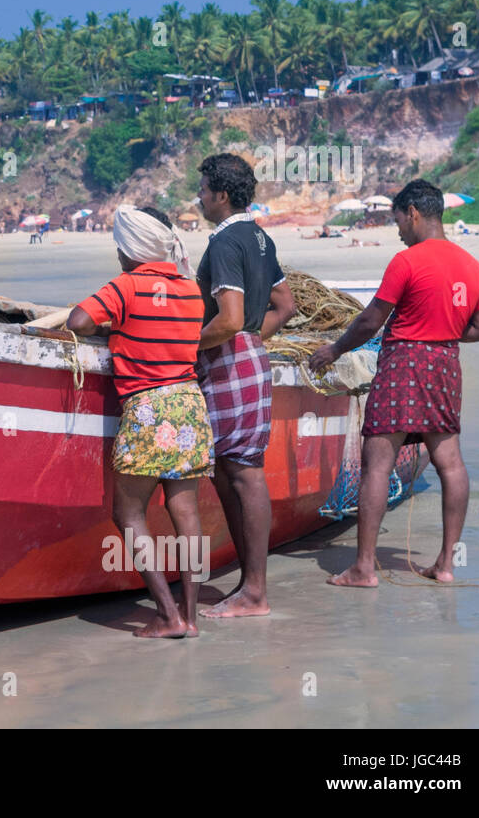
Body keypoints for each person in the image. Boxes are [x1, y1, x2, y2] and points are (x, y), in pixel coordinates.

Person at [310, 179, 479, 586]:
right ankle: (445, 564)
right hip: (445, 364)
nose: (397, 230)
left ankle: (363, 568)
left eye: (397, 220)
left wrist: (335, 350)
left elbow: (370, 319)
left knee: (378, 462)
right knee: (451, 462)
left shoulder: (407, 261)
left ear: (413, 213)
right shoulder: (471, 265)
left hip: (403, 364)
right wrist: (442, 331)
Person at [68, 205, 212, 638]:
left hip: (148, 408)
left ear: (130, 250)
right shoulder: (190, 290)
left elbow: (78, 320)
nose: (117, 255)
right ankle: (190, 616)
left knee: (128, 514)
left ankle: (167, 616)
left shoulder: (126, 285)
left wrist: (115, 327)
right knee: (185, 511)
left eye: (119, 248)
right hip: (190, 404)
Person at [194, 154, 298, 618]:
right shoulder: (259, 237)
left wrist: (186, 346)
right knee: (230, 470)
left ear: (220, 194)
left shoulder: (223, 242)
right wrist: (255, 340)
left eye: (201, 190)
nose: (197, 198)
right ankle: (248, 584)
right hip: (250, 359)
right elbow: (286, 305)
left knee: (242, 472)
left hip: (227, 364)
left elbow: (230, 318)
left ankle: (255, 591)